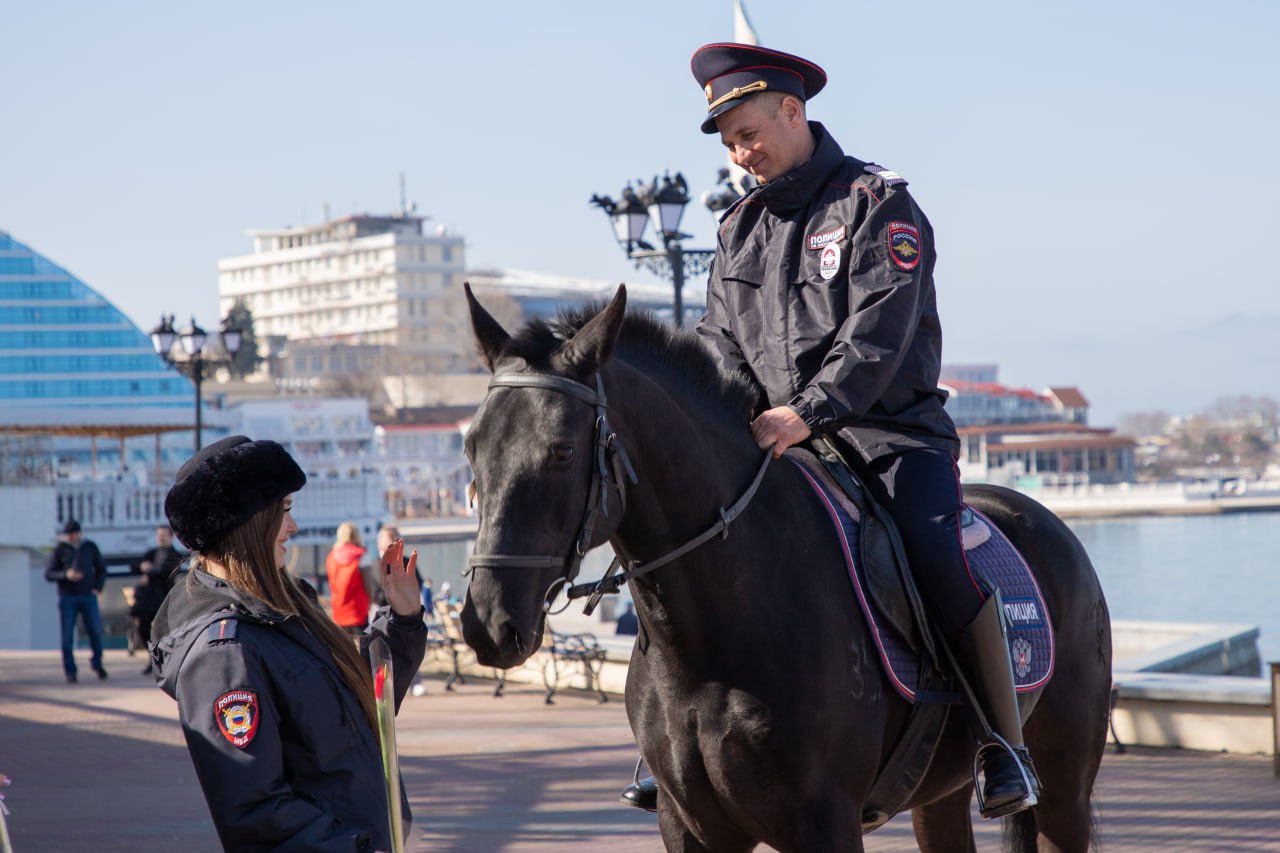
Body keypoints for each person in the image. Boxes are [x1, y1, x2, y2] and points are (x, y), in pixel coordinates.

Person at [619, 43, 1039, 819]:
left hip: (888, 437)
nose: (742, 155)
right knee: (689, 552)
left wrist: (805, 412)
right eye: (730, 144)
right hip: (778, 444)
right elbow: (718, 342)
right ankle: (664, 743)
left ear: (792, 109)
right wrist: (733, 419)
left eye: (749, 133)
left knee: (930, 547)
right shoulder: (737, 228)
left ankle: (999, 741)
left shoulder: (878, 204)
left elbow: (877, 338)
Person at [149, 435, 426, 852]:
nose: (293, 527)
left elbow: (359, 704)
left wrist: (403, 621)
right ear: (246, 523)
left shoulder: (280, 611)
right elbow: (254, 811)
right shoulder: (224, 652)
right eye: (283, 511)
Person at [44, 519, 108, 683]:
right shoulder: (60, 549)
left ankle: (97, 663)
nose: (73, 537)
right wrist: (66, 575)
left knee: (95, 631)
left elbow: (101, 569)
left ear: (80, 533)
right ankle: (70, 671)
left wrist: (97, 588)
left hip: (88, 595)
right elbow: (49, 574)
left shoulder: (89, 546)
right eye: (70, 535)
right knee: (67, 637)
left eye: (75, 534)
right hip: (68, 596)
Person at [131, 525, 187, 674]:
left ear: (171, 536)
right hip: (147, 601)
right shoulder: (151, 553)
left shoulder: (175, 555)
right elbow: (135, 565)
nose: (161, 538)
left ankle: (162, 659)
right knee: (143, 628)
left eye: (164, 535)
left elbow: (164, 574)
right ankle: (153, 657)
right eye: (159, 535)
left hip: (163, 599)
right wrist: (143, 566)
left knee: (162, 631)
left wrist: (148, 572)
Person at [326, 522, 373, 634]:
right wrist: (371, 603)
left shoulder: (331, 557)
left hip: (338, 611)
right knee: (361, 648)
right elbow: (369, 587)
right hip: (358, 611)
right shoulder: (362, 556)